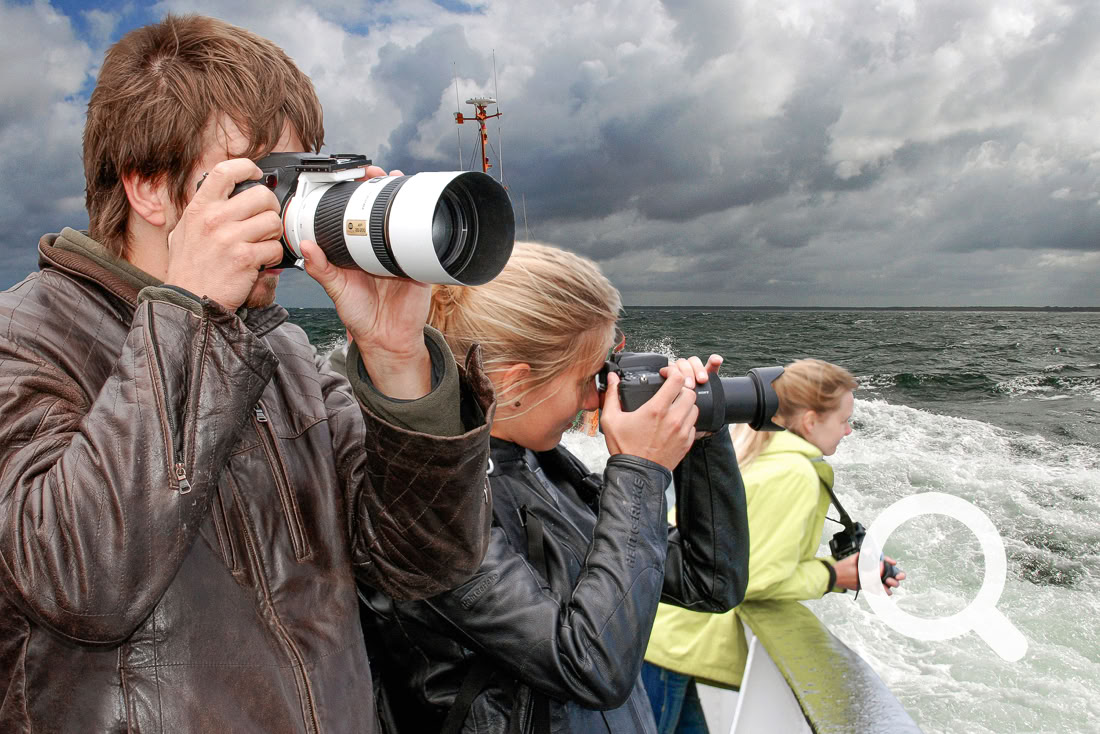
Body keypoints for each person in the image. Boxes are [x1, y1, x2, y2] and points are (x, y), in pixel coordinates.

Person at [0, 15, 495, 732]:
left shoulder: (280, 347)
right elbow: (80, 584)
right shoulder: (24, 339)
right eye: (264, 178)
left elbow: (426, 563)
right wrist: (189, 318)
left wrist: (397, 359)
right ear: (147, 186)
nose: (283, 208)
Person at [358, 242, 751, 733]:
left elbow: (708, 581)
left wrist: (701, 438)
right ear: (514, 384)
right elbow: (590, 665)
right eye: (589, 377)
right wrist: (640, 469)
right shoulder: (425, 505)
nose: (596, 398)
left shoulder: (538, 464)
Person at [642, 359, 905, 733]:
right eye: (845, 419)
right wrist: (833, 574)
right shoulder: (793, 474)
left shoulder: (753, 451)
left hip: (668, 641)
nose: (848, 430)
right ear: (811, 421)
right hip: (676, 649)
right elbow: (750, 580)